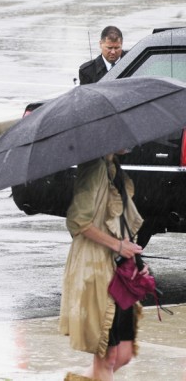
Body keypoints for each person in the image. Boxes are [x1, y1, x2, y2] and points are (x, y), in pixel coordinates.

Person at [60, 152, 150, 381]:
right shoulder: (94, 167)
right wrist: (118, 246)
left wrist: (136, 260)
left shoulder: (113, 167)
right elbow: (78, 221)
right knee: (108, 357)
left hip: (120, 270)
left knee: (123, 355)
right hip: (98, 270)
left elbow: (121, 223)